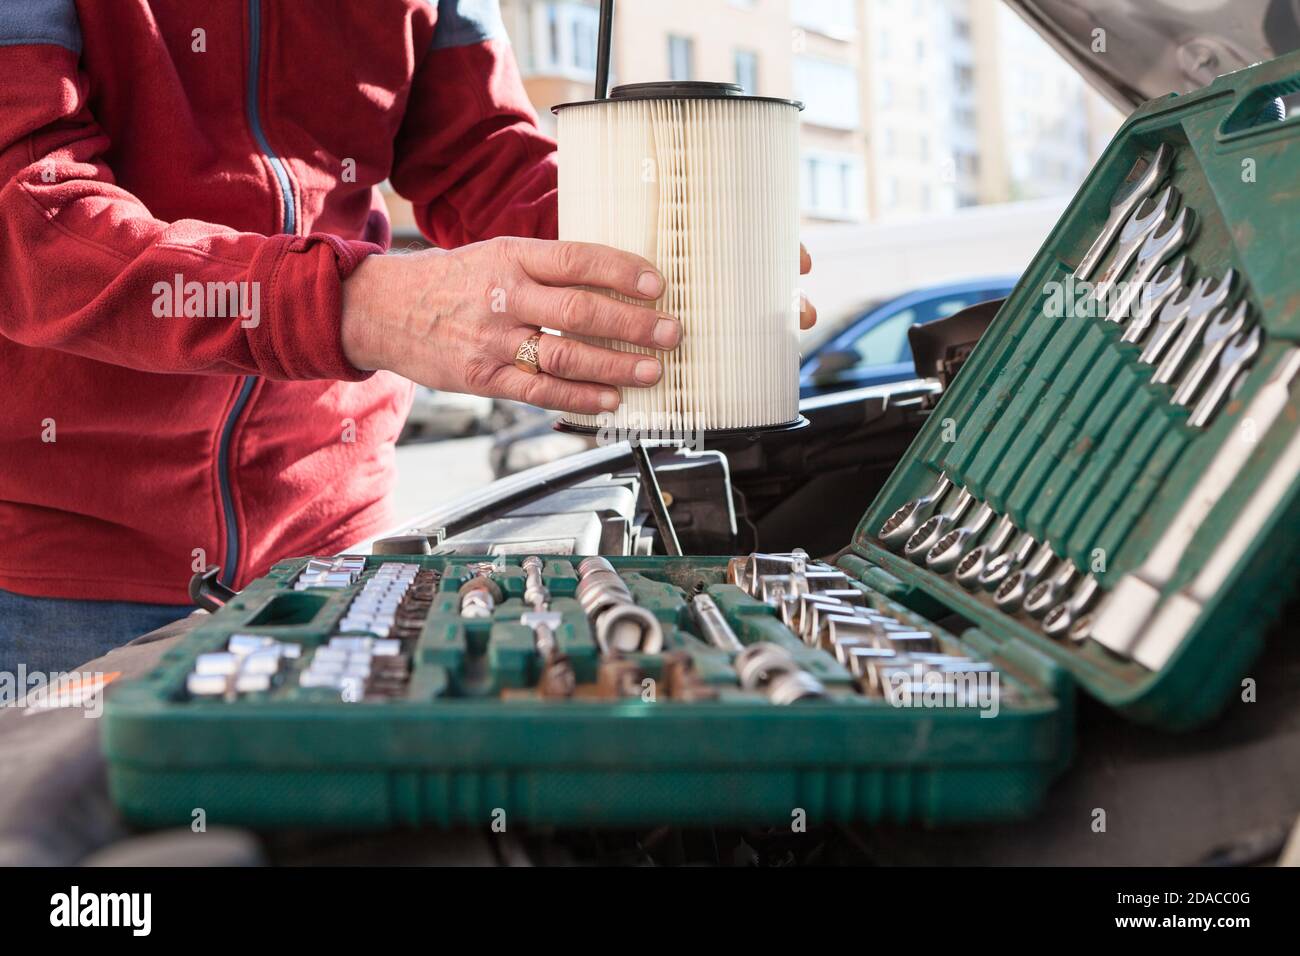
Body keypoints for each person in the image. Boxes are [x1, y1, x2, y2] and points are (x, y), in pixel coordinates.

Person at [0, 0, 813, 673]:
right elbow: (28, 225)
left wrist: (664, 250)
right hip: (65, 572)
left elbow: (481, 154)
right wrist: (358, 306)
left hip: (338, 540)